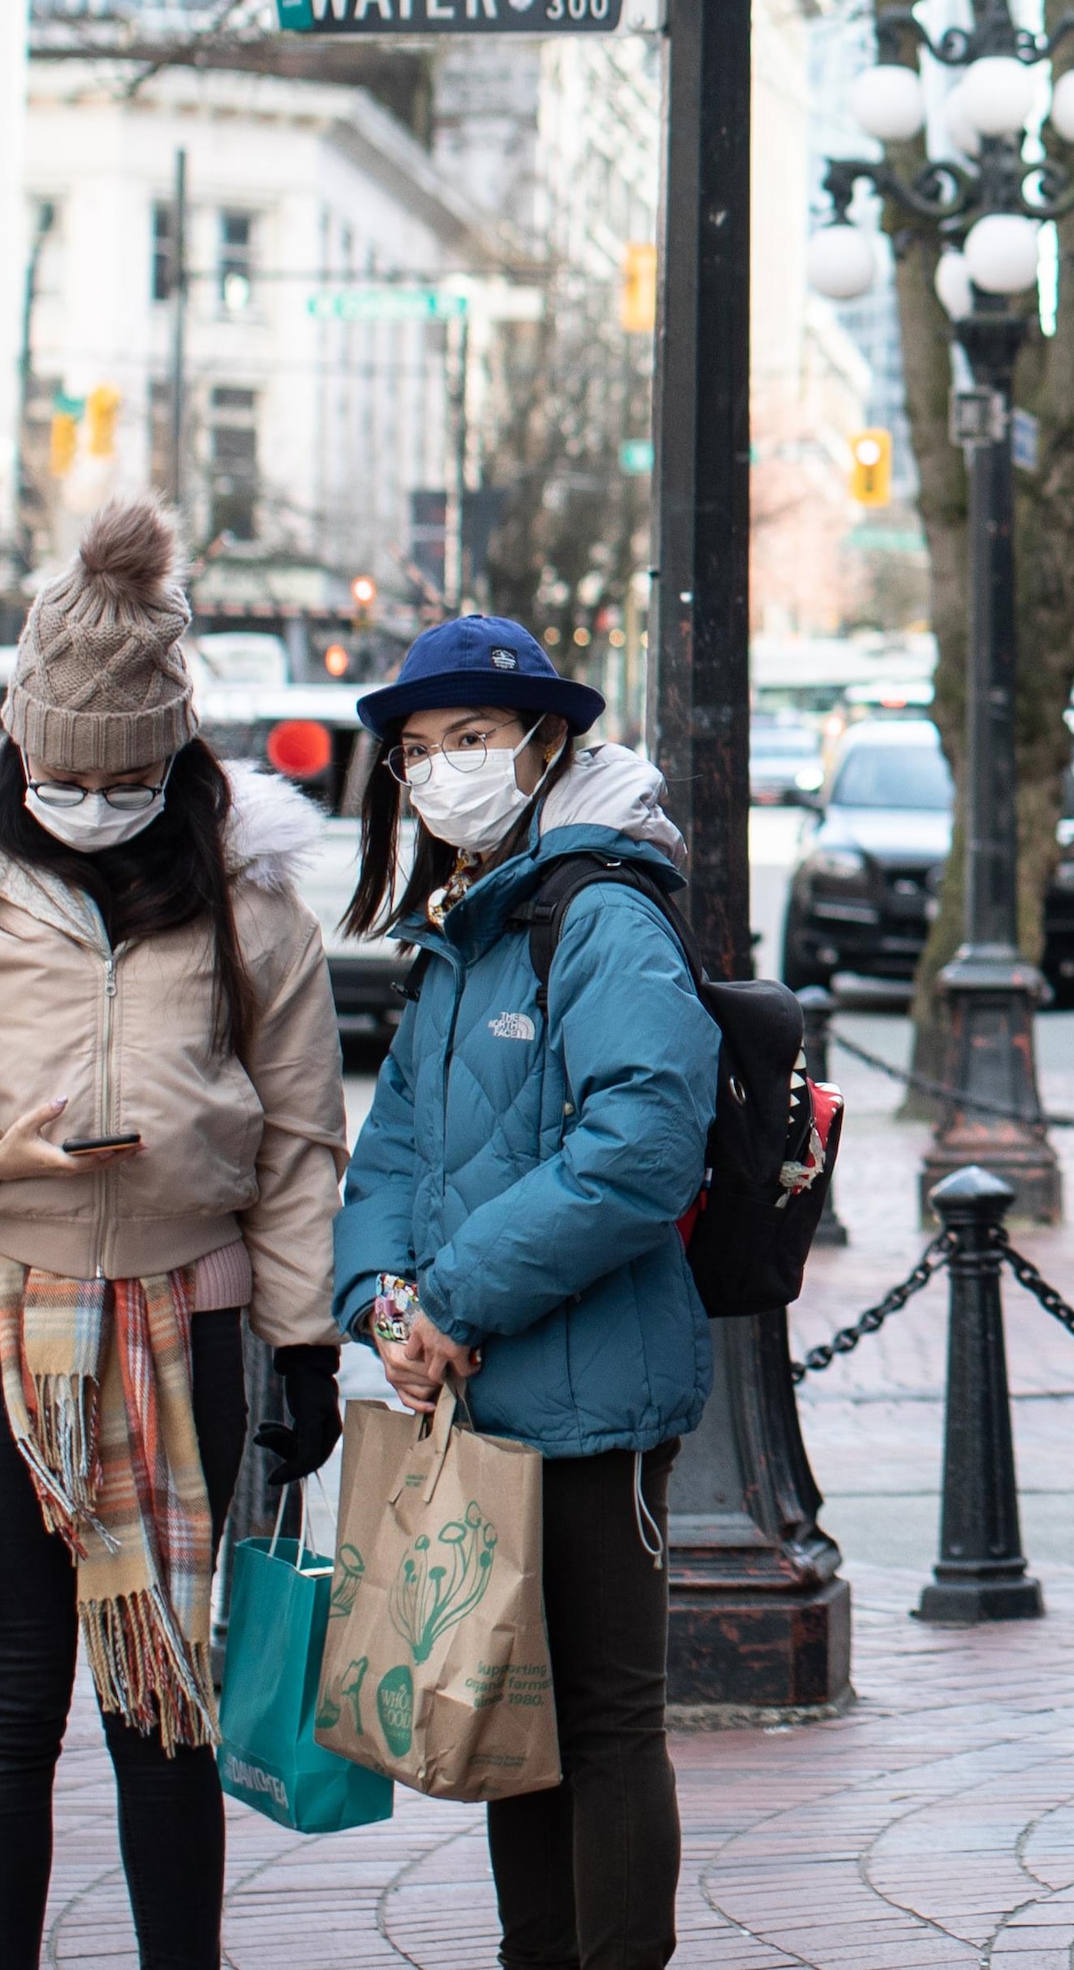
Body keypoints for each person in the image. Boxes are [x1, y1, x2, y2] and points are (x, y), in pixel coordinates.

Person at [0, 505, 351, 1970]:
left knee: (163, 1702)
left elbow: (297, 1143)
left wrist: (301, 1345)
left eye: (122, 777)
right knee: (13, 1693)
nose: (91, 799)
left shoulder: (254, 900)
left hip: (197, 1327)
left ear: (176, 763)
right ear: (13, 749)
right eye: (60, 774)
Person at [330, 618, 715, 1970]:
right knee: (518, 1711)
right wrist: (385, 1306)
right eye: (420, 752)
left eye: (473, 741)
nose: (442, 773)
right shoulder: (465, 929)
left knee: (604, 1722)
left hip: (594, 1397)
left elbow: (642, 1146)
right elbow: (391, 1153)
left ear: (547, 746)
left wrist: (460, 1304)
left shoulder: (599, 909)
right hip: (482, 1394)